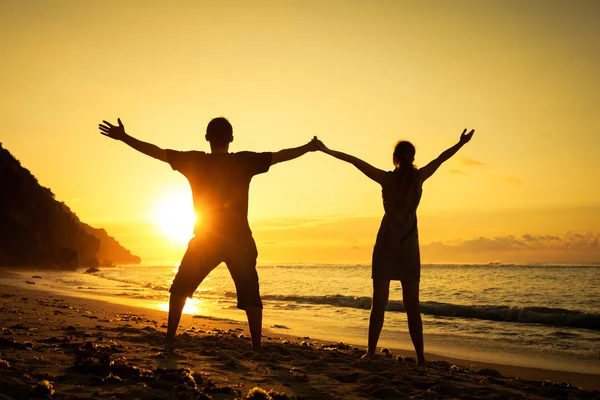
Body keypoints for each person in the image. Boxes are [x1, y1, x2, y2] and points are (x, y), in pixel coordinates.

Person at [99, 117, 318, 351]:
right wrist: (308, 147)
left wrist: (124, 137)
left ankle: (170, 341)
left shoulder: (194, 161)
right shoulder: (244, 161)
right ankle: (257, 348)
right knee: (250, 293)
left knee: (180, 287)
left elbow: (156, 152)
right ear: (231, 138)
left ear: (206, 138)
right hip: (239, 239)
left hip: (206, 238)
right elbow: (280, 155)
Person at [315, 128, 475, 364]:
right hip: (409, 247)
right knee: (413, 307)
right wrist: (461, 143)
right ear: (412, 157)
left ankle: (370, 352)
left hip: (386, 245)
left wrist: (325, 150)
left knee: (378, 303)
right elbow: (441, 158)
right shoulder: (419, 177)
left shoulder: (387, 179)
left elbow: (353, 161)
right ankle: (420, 357)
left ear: (395, 158)